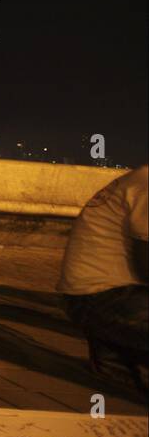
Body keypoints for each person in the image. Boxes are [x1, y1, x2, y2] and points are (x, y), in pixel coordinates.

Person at [58, 164, 149, 395]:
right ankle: (113, 343)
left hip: (99, 294)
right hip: (102, 297)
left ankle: (115, 350)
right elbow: (146, 266)